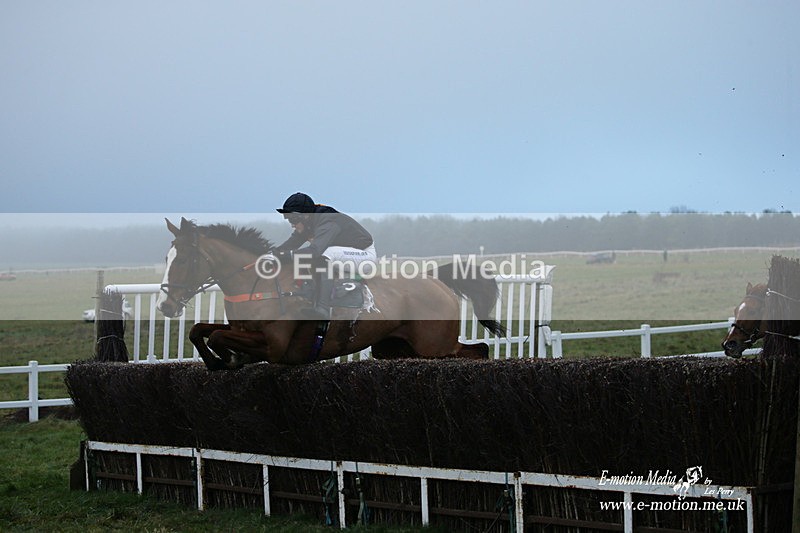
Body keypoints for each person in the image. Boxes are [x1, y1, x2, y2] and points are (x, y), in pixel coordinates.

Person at [275, 192, 376, 319]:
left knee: (324, 254)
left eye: (292, 219)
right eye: (287, 218)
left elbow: (315, 251)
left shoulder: (328, 221)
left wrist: (287, 255)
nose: (291, 224)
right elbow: (288, 246)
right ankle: (313, 298)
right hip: (345, 254)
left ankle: (323, 308)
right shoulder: (308, 223)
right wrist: (271, 255)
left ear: (305, 216)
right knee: (316, 256)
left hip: (364, 255)